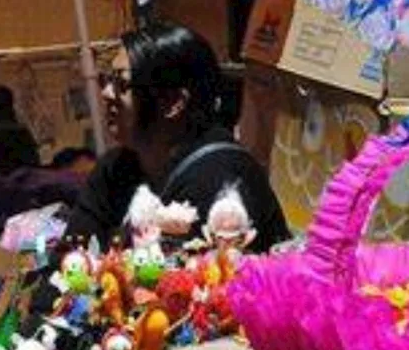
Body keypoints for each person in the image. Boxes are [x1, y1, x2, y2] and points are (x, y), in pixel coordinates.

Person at [65, 21, 290, 252]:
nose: (106, 93)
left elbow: (201, 281)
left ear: (173, 102)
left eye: (122, 84)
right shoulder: (115, 169)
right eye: (107, 80)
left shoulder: (222, 182)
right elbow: (69, 256)